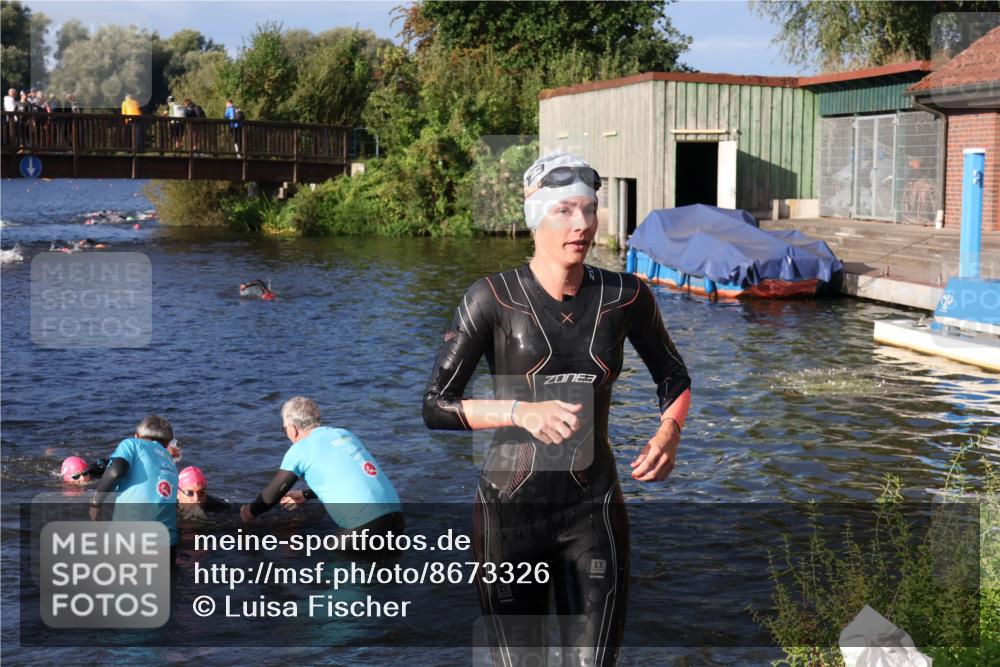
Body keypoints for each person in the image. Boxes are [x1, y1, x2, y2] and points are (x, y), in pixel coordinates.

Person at [422, 150, 692, 665]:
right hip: (509, 512)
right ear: (535, 219)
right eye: (564, 211)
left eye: (589, 209)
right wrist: (520, 412)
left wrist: (668, 433)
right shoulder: (490, 298)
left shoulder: (626, 296)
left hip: (593, 506)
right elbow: (436, 406)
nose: (583, 224)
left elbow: (674, 376)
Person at [240, 397, 404, 544]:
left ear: (293, 428)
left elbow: (272, 494)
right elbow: (345, 477)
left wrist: (250, 512)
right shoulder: (344, 434)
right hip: (397, 520)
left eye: (284, 430)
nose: (286, 434)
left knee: (323, 573)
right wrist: (305, 495)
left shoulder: (300, 449)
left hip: (364, 528)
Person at [89, 415, 180, 557]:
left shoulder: (132, 444)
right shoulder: (172, 465)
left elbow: (116, 472)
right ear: (169, 443)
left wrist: (95, 503)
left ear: (137, 435)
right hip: (168, 544)